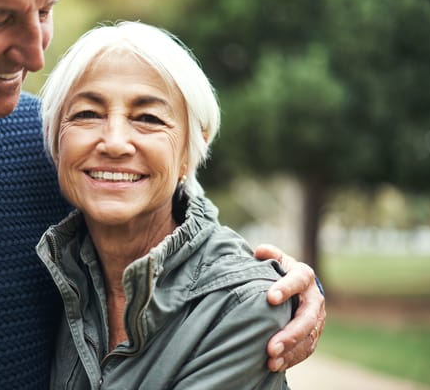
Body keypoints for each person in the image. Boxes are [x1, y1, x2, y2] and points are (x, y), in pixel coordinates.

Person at [0, 0, 324, 388]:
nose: (35, 55)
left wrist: (281, 286)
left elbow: (174, 218)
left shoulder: (44, 143)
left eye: (44, 11)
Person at [36, 20, 303, 389]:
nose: (114, 142)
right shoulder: (51, 271)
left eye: (148, 118)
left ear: (191, 150)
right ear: (55, 143)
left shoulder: (244, 305)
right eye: (87, 114)